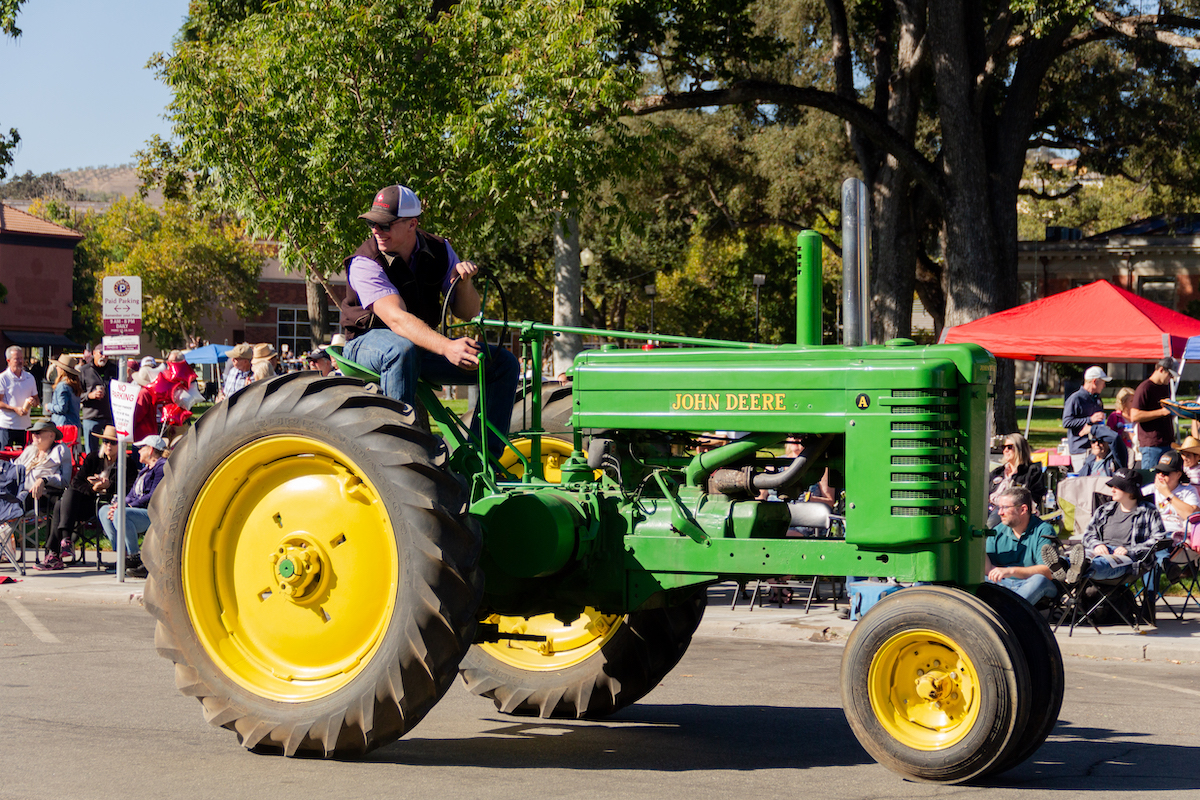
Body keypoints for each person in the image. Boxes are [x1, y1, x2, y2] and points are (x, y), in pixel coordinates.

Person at [341, 183, 519, 457]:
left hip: (419, 345)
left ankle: (483, 460)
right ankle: (398, 458)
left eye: (385, 225)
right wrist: (447, 347)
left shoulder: (440, 249)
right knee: (400, 350)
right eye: (373, 224)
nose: (377, 231)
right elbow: (397, 320)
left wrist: (464, 284)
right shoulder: (365, 261)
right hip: (366, 344)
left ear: (412, 224)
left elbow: (468, 312)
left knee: (502, 364)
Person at [35, 425, 138, 571]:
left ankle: (55, 552)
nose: (109, 445)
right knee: (65, 498)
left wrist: (109, 486)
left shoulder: (128, 464)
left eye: (113, 442)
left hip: (104, 505)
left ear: (120, 445)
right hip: (84, 501)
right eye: (106, 442)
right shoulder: (93, 458)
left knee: (60, 504)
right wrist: (93, 488)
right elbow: (76, 482)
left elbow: (129, 489)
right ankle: (63, 544)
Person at [1045, 467, 1168, 587]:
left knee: (1101, 563)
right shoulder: (1105, 509)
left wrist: (1130, 551)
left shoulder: (1148, 511)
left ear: (1130, 490)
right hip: (1098, 552)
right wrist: (1097, 545)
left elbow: (1159, 540)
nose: (1112, 490)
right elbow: (1088, 535)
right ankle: (1062, 564)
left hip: (1127, 560)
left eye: (1117, 487)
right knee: (1082, 555)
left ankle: (1080, 568)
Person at [98, 434, 168, 578]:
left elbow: (154, 494)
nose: (139, 451)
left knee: (122, 514)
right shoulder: (145, 469)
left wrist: (127, 506)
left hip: (152, 513)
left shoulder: (162, 467)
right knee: (104, 511)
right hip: (136, 511)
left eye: (142, 448)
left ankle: (135, 558)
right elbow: (131, 494)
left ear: (151, 450)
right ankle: (122, 556)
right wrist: (119, 505)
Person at [985, 486, 1059, 605]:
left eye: (1005, 507)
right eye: (999, 508)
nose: (1000, 513)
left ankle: (1009, 614)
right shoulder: (997, 531)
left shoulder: (1043, 530)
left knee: (1039, 580)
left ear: (1023, 509)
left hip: (1031, 584)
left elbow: (1047, 571)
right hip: (1003, 584)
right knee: (978, 581)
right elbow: (989, 570)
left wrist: (1011, 571)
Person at [1128, 356, 1180, 470]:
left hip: (1167, 443)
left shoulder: (1165, 387)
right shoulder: (1145, 388)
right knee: (1151, 481)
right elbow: (1134, 415)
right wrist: (1161, 412)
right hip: (1152, 446)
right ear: (1161, 370)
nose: (1171, 378)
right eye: (1169, 374)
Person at [1142, 450, 1199, 541]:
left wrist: (1167, 494)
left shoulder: (1188, 491)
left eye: (1165, 473)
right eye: (1158, 471)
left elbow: (1192, 516)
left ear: (1178, 475)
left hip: (1172, 534)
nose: (1160, 475)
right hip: (1149, 532)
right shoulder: (1150, 489)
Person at [988, 433, 1046, 522]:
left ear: (1020, 448)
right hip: (989, 508)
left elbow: (1034, 498)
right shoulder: (998, 471)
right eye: (1004, 447)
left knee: (993, 520)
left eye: (1009, 447)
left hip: (1014, 511)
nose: (1006, 450)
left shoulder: (1032, 471)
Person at [1062, 366, 1109, 472]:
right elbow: (1066, 422)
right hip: (1081, 449)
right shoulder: (1075, 399)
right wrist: (1090, 419)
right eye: (1103, 382)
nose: (1104, 385)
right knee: (1083, 482)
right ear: (1095, 381)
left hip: (1096, 449)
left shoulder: (1097, 400)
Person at [79, 349, 117, 456]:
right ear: (94, 353)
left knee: (111, 450)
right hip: (92, 417)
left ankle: (108, 471)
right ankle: (91, 471)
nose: (104, 356)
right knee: (91, 452)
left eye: (106, 354)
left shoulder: (115, 369)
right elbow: (77, 395)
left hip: (110, 416)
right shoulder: (84, 371)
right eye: (101, 353)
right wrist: (89, 395)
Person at [0, 346, 38, 450]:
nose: (21, 361)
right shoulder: (3, 378)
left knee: (24, 458)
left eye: (22, 358)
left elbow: (36, 399)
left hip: (25, 426)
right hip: (7, 425)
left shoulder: (30, 377)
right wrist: (15, 409)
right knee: (4, 458)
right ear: (8, 360)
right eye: (17, 359)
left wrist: (33, 402)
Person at [46, 354, 83, 432]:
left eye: (58, 366)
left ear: (62, 369)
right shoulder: (75, 385)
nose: (56, 367)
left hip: (63, 426)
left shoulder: (62, 386)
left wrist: (49, 406)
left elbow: (62, 408)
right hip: (75, 425)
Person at [1110, 386, 1136, 459]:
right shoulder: (1115, 416)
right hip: (1122, 451)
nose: (1134, 403)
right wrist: (1121, 435)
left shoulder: (1137, 415)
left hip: (1137, 451)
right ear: (1123, 402)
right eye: (1131, 401)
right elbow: (1109, 435)